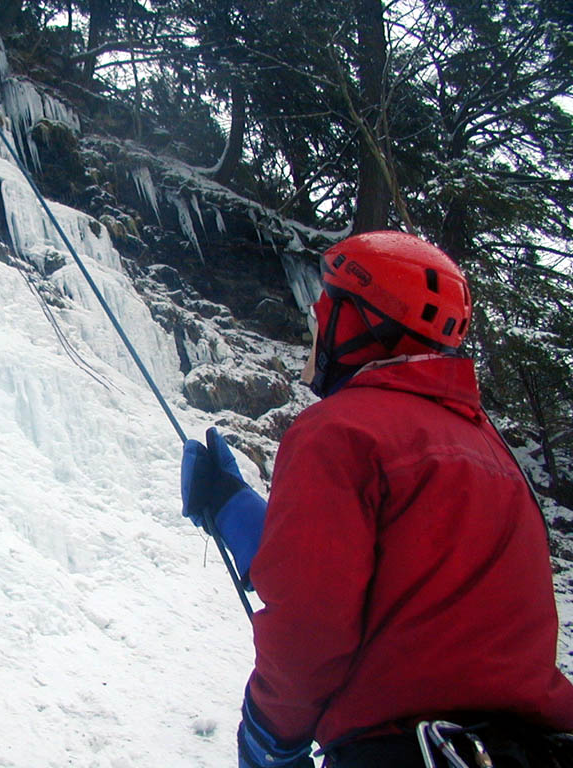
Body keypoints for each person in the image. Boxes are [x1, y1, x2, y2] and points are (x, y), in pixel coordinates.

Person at [181, 231, 573, 767]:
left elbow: (313, 627)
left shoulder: (339, 430)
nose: (313, 332)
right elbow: (408, 588)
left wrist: (270, 736)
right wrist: (233, 509)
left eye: (321, 316)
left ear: (363, 322)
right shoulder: (492, 451)